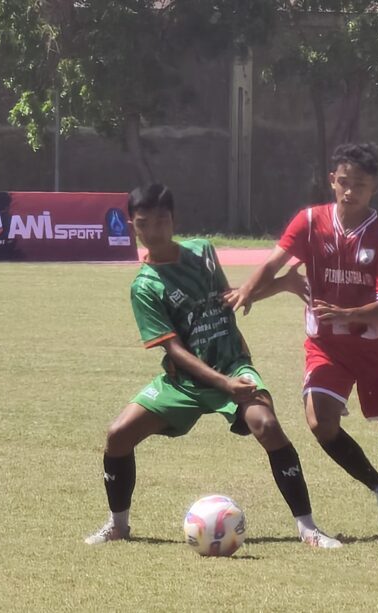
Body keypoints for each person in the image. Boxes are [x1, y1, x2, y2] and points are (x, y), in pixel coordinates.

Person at [85, 183, 341, 548]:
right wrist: (222, 386)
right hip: (184, 382)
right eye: (144, 224)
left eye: (161, 221)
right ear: (132, 225)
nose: (153, 231)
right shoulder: (144, 286)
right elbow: (174, 350)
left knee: (266, 425)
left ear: (173, 220)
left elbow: (228, 301)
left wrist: (281, 283)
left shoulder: (202, 251)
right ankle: (118, 525)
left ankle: (308, 528)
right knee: (117, 436)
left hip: (233, 364)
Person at [226, 143, 378, 533]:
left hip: (375, 352)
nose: (350, 191)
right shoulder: (310, 222)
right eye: (344, 182)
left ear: (374, 188)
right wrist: (248, 290)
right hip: (325, 348)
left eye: (360, 185)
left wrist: (347, 314)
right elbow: (274, 264)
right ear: (332, 180)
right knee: (319, 422)